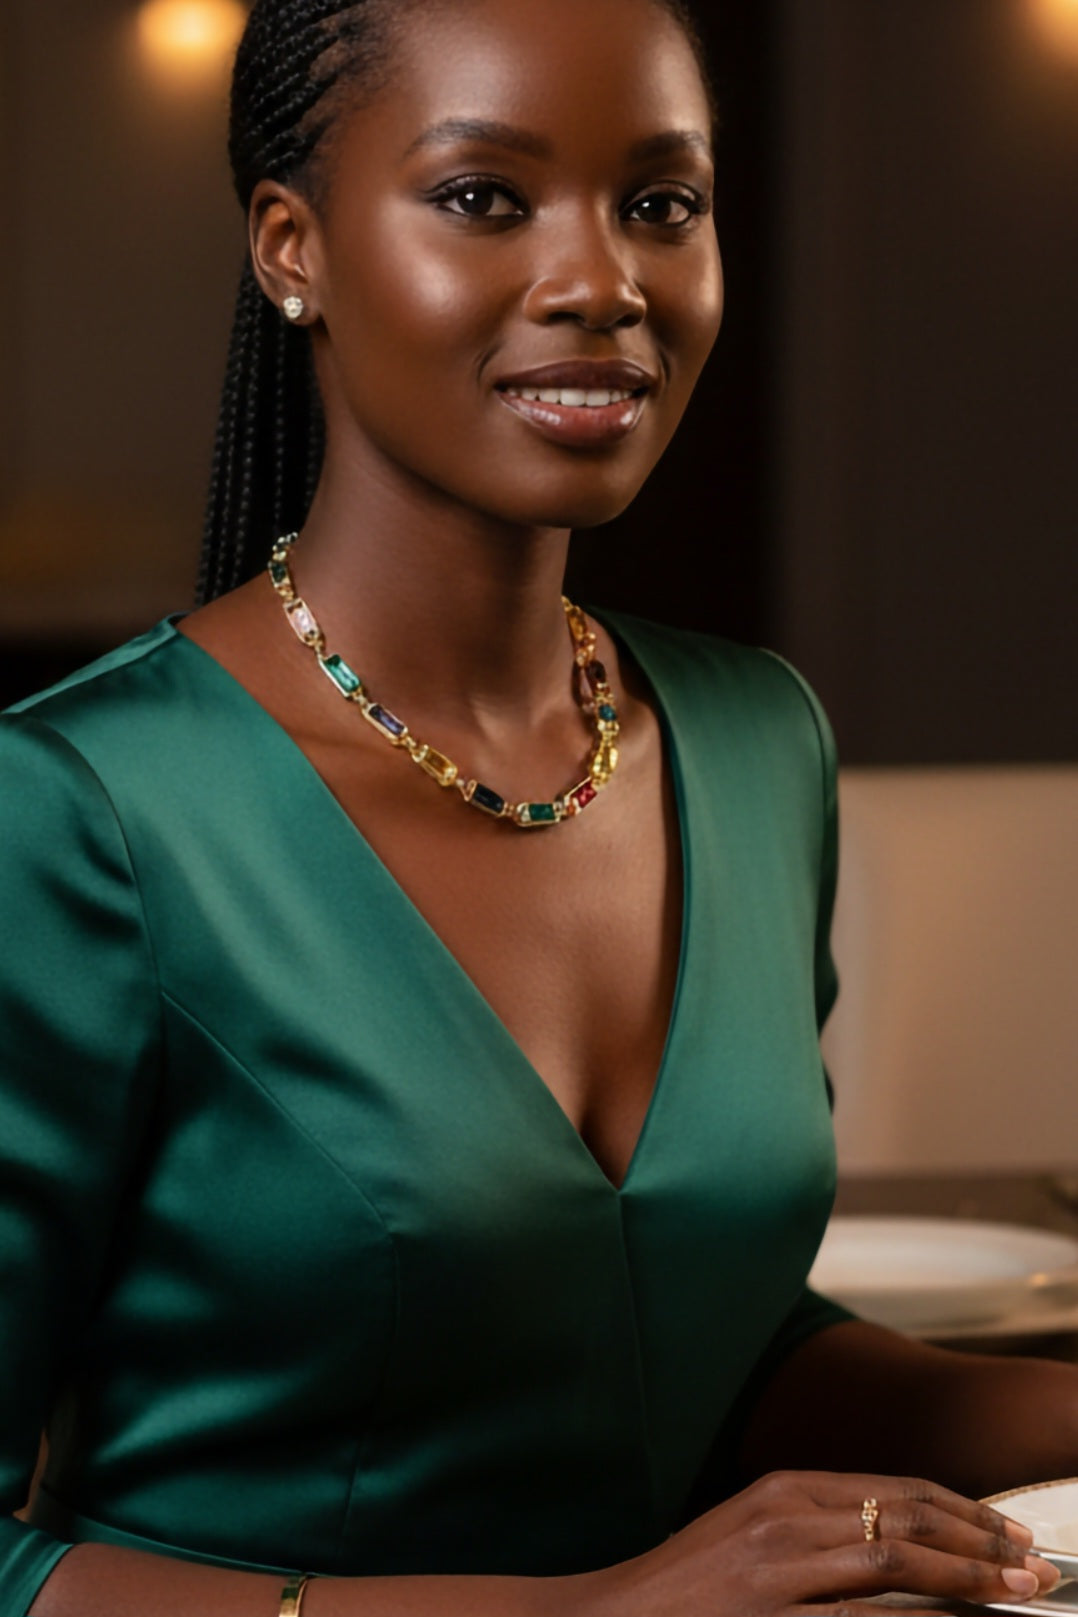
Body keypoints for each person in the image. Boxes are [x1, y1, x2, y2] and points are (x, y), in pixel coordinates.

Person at [2, 1, 1076, 1614]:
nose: (603, 283)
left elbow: (694, 1334)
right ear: (291, 247)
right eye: (484, 199)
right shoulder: (76, 809)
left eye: (660, 204)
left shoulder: (753, 738)